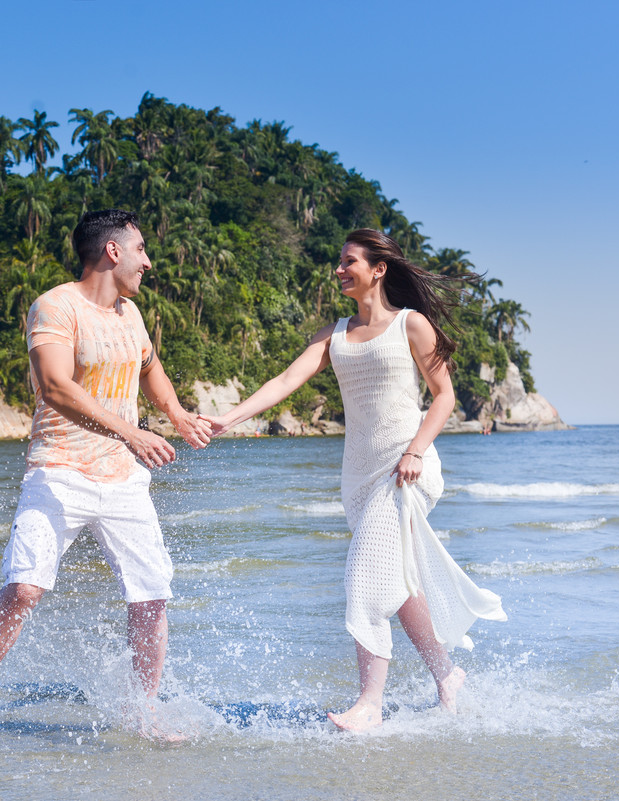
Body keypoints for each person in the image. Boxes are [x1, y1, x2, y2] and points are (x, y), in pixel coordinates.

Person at [0, 209, 212, 750]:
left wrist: (175, 414)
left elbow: (149, 366)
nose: (148, 262)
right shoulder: (55, 306)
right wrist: (132, 431)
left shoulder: (131, 314)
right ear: (113, 252)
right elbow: (55, 387)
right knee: (25, 588)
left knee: (151, 596)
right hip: (58, 470)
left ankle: (146, 711)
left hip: (123, 479)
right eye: (142, 250)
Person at [201, 228, 507, 732]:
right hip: (360, 476)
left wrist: (415, 451)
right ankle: (447, 675)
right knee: (400, 583)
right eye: (339, 262)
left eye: (349, 262)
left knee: (364, 576)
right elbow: (284, 381)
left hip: (407, 468)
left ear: (378, 269)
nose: (339, 269)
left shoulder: (412, 325)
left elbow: (445, 397)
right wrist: (227, 419)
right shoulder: (335, 334)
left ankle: (370, 702)